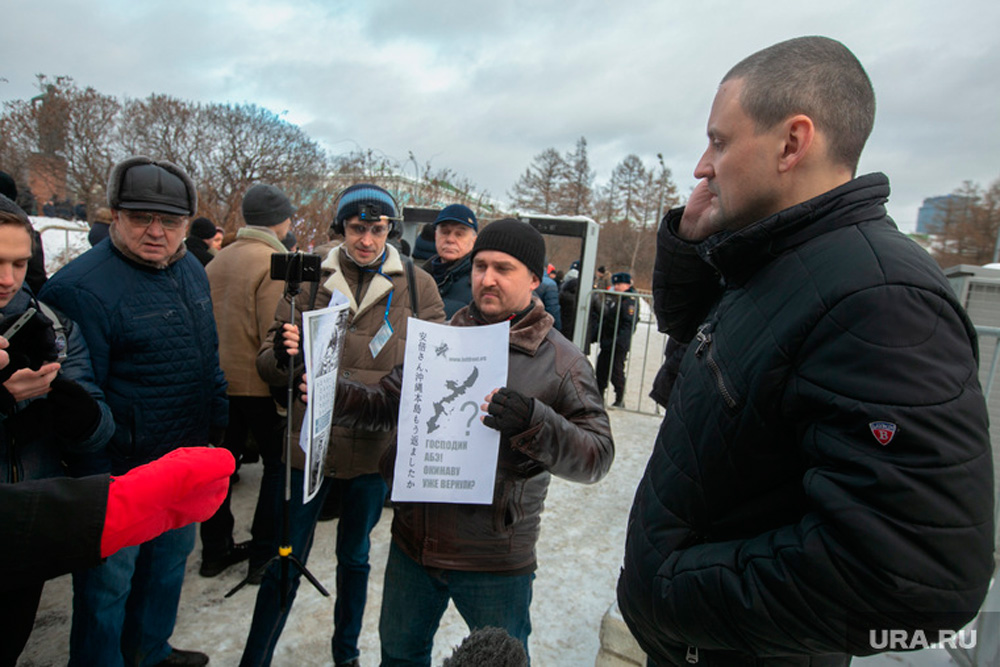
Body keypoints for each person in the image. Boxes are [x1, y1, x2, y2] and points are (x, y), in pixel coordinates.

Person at [617, 36, 995, 666]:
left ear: (792, 143)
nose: (702, 166)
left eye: (720, 141)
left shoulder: (879, 299)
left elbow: (915, 577)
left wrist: (669, 587)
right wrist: (690, 239)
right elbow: (692, 333)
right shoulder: (779, 261)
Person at [329, 218, 615, 664]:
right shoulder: (443, 338)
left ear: (535, 279)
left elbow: (597, 456)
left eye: (504, 268)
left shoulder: (562, 362)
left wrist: (534, 422)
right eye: (481, 266)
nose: (488, 278)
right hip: (414, 544)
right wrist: (329, 390)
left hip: (495, 559)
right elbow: (387, 402)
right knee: (400, 656)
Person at [241, 183, 445, 667]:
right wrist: (286, 356)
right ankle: (255, 659)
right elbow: (267, 362)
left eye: (377, 230)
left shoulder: (417, 285)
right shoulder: (310, 277)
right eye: (358, 228)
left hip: (372, 454)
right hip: (308, 446)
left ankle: (346, 656)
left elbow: (432, 368)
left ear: (389, 230)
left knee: (355, 561)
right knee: (285, 561)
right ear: (342, 229)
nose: (367, 240)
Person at [40, 155, 229, 667]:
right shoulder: (79, 288)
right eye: (139, 216)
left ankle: (151, 651)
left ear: (186, 225)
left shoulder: (191, 267)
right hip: (118, 476)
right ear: (115, 215)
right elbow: (78, 402)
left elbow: (205, 354)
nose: (155, 231)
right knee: (107, 593)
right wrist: (94, 487)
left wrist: (216, 429)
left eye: (169, 221)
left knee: (167, 571)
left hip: (182, 460)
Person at [0, 194, 116, 667]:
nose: (6, 279)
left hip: (26, 526)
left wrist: (83, 419)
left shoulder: (50, 324)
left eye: (19, 263)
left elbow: (98, 425)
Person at [200, 184, 294, 579]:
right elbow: (271, 333)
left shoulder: (216, 260)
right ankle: (262, 555)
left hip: (218, 383)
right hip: (258, 386)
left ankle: (215, 549)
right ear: (283, 220)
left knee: (219, 469)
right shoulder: (275, 259)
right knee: (277, 466)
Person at [423, 203, 478, 318]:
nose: (450, 239)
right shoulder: (419, 277)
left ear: (474, 240)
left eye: (459, 234)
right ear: (435, 236)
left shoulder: (478, 284)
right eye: (445, 232)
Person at [592, 272, 637, 408]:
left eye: (619, 284)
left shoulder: (629, 300)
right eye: (615, 284)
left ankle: (619, 397)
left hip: (618, 343)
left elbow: (628, 324)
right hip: (608, 341)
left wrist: (618, 342)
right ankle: (599, 396)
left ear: (627, 284)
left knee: (616, 371)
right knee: (601, 369)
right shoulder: (616, 297)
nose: (616, 287)